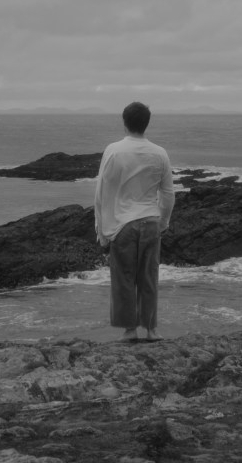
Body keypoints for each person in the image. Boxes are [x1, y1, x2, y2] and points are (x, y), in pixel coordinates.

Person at [94, 102, 175, 341]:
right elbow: (168, 194)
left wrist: (102, 229)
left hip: (123, 224)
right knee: (149, 277)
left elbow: (101, 192)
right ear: (146, 123)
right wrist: (163, 222)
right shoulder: (160, 153)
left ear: (124, 122)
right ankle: (151, 330)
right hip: (150, 221)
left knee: (124, 279)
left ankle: (130, 330)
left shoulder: (113, 151)